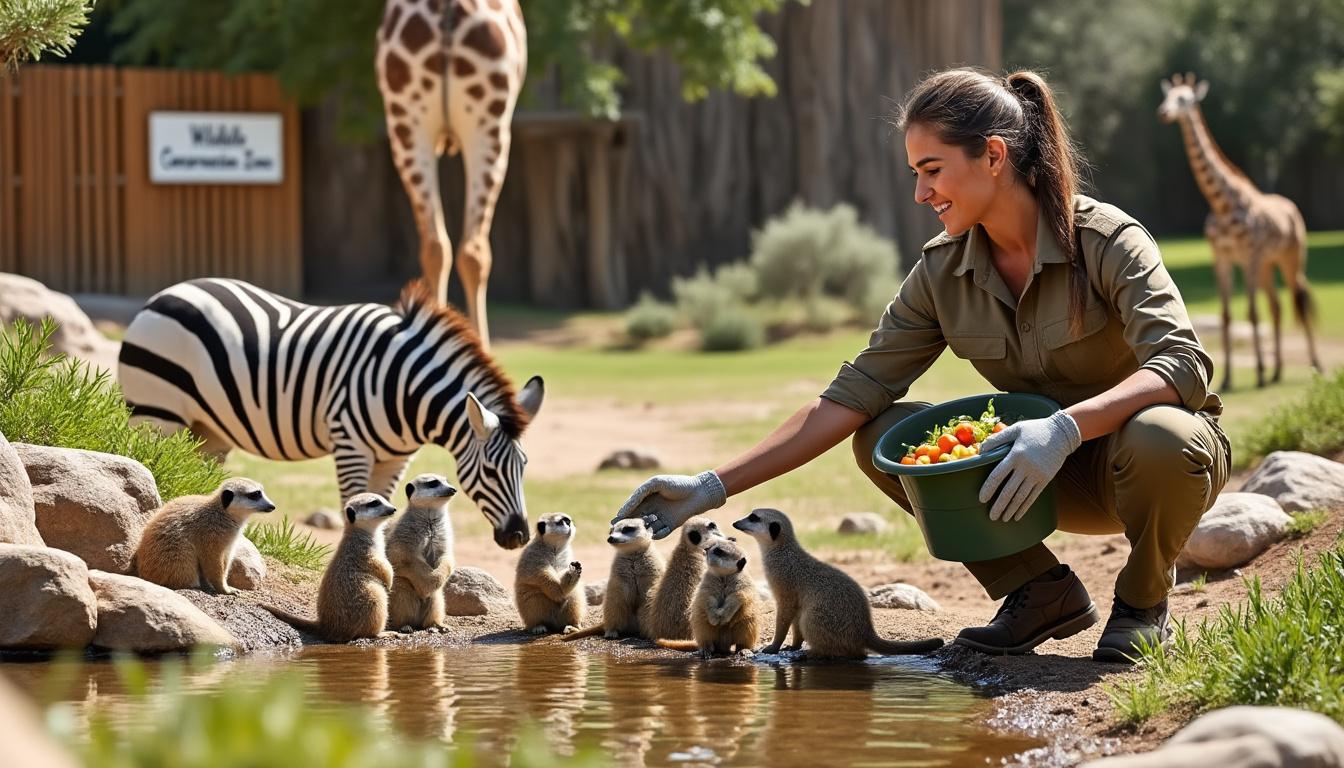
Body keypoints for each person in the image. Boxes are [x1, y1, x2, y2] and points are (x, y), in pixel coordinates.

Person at [612, 67, 1230, 662]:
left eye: (932, 170)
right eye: (915, 172)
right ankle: (1040, 594)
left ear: (993, 156)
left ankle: (1142, 605)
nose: (920, 192)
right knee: (884, 433)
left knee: (1161, 436)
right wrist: (710, 487)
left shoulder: (1107, 240)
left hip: (1144, 472)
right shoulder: (941, 271)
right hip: (1029, 479)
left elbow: (1183, 364)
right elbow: (852, 395)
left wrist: (1064, 428)